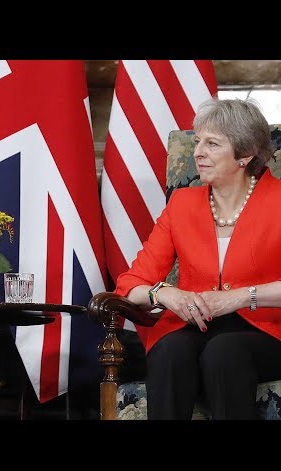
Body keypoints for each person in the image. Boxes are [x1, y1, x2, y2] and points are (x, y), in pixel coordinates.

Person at [114, 97, 281, 420]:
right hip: (194, 328)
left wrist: (239, 297)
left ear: (245, 154)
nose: (198, 152)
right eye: (197, 142)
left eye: (212, 144)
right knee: (170, 350)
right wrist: (165, 294)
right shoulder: (182, 204)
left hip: (267, 331)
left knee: (224, 351)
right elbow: (131, 285)